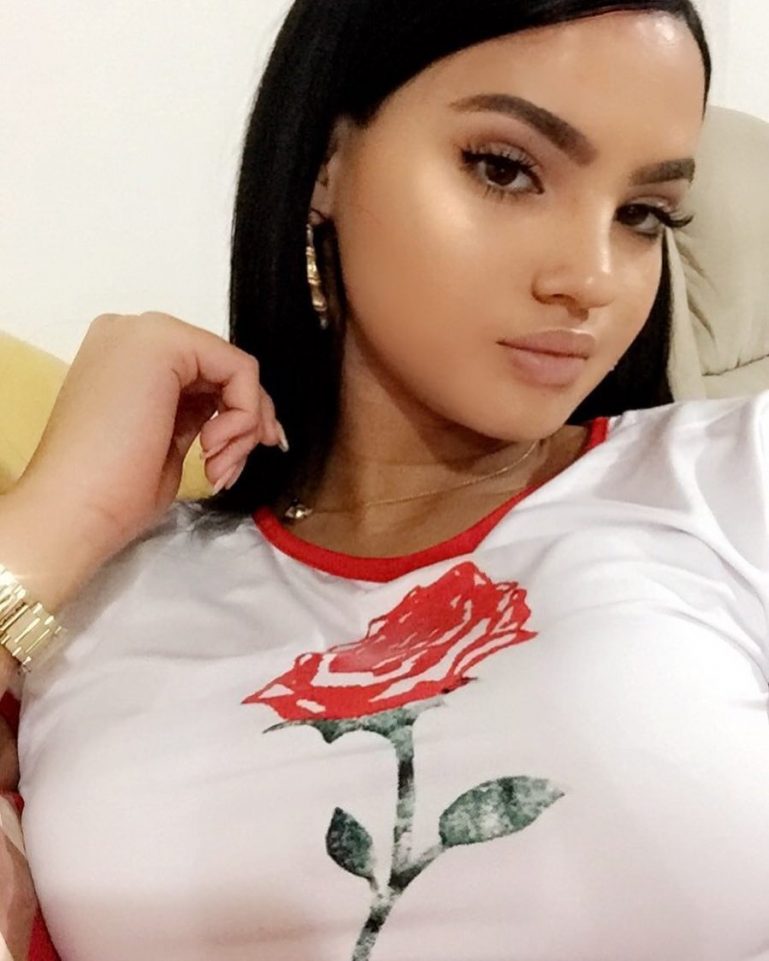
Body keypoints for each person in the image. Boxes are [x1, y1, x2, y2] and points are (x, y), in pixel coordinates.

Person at [4, 0, 768, 958]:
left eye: (641, 215)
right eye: (504, 169)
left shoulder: (730, 476)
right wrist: (56, 519)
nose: (592, 277)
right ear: (327, 161)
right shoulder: (86, 610)